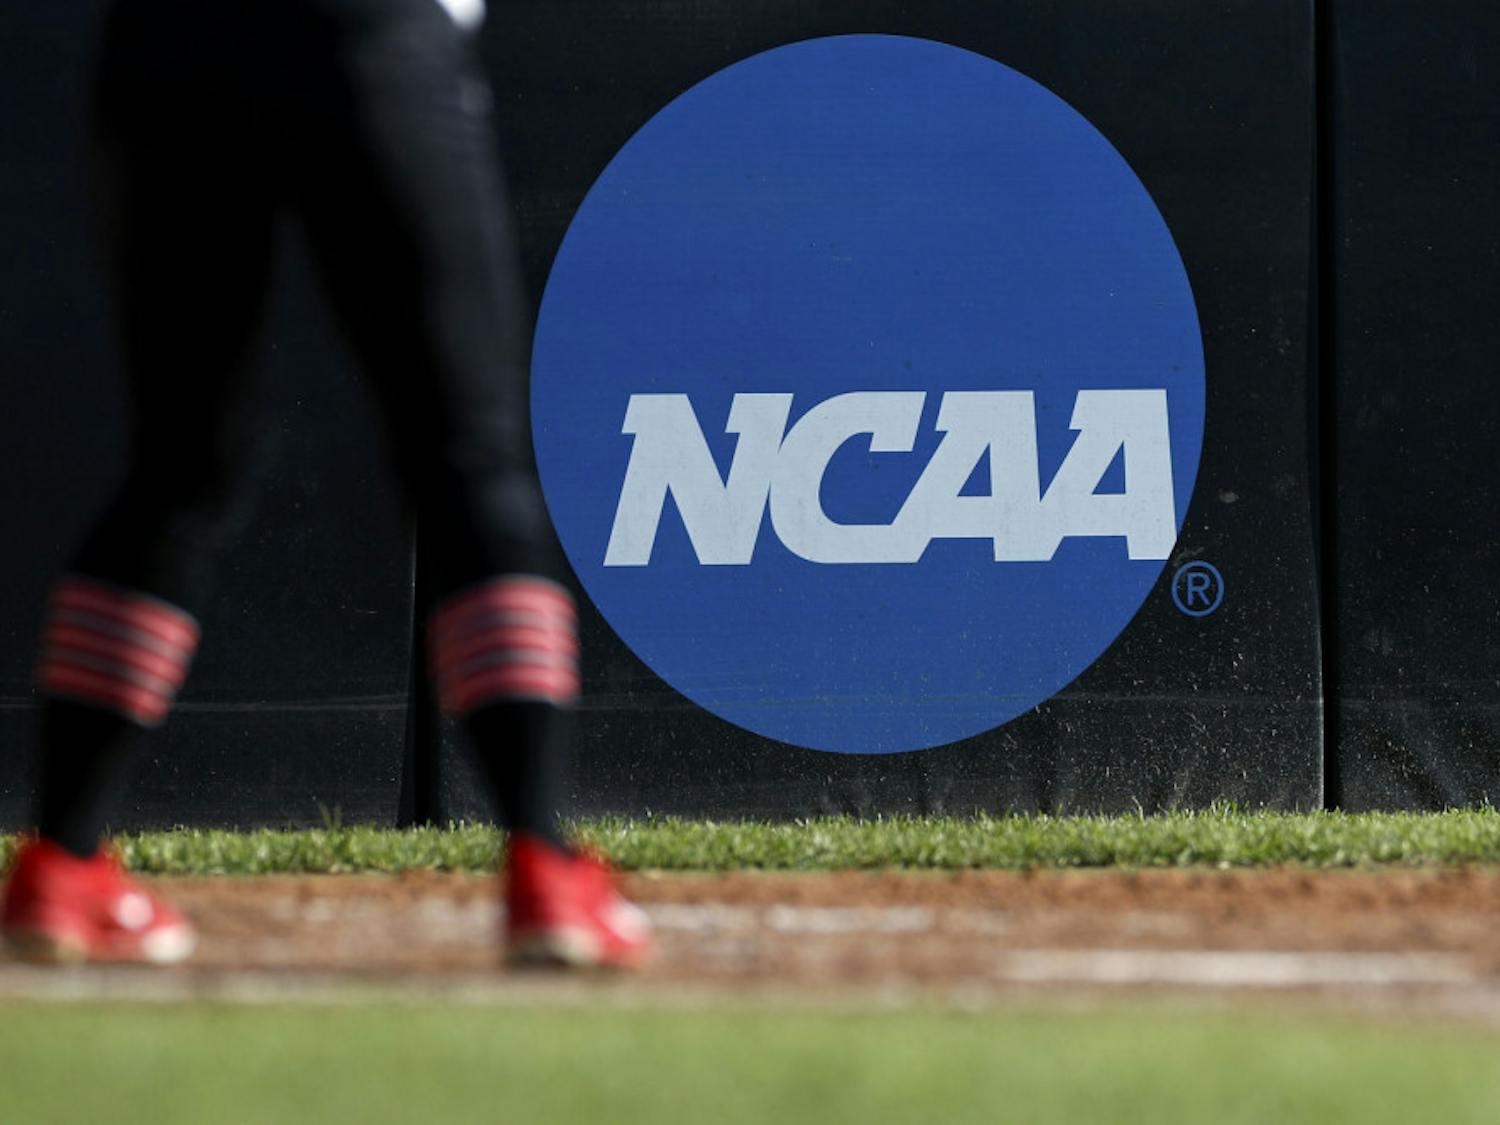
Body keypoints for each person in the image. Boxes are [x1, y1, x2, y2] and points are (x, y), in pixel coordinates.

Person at [0, 0, 650, 969]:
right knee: (468, 458)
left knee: (176, 470)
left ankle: (57, 864)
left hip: (163, 44)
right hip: (363, 30)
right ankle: (547, 864)